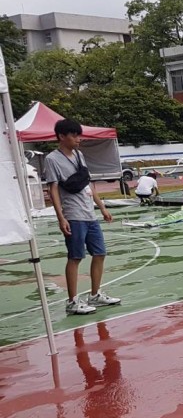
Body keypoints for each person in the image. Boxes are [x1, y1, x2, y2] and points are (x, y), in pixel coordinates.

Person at [43, 119, 122, 315]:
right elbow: (53, 189)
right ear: (62, 136)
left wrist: (102, 207)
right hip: (73, 214)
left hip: (89, 213)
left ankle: (95, 294)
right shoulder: (52, 159)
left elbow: (87, 184)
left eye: (79, 135)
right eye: (74, 135)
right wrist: (61, 217)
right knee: (75, 256)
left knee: (100, 252)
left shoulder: (79, 155)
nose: (79, 139)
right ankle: (72, 301)